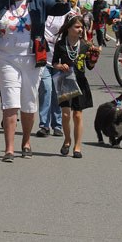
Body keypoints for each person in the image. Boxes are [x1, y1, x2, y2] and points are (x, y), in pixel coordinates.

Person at [0, 0, 70, 163]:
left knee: (29, 103)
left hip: (32, 58)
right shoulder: (0, 3)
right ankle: (9, 148)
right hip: (6, 58)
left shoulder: (39, 0)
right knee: (10, 102)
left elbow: (64, 8)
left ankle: (26, 142)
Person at [52, 15, 100, 158]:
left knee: (77, 115)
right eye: (77, 27)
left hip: (80, 81)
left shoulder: (86, 45)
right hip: (65, 81)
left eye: (81, 27)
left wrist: (93, 60)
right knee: (66, 114)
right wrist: (60, 66)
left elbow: (90, 67)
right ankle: (67, 140)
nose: (80, 30)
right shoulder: (60, 44)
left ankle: (77, 147)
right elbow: (54, 62)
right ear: (69, 28)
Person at [35, 0, 67, 139]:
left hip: (60, 58)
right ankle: (44, 125)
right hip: (44, 58)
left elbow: (75, 24)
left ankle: (58, 124)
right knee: (46, 89)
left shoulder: (64, 12)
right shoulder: (39, 10)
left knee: (57, 92)